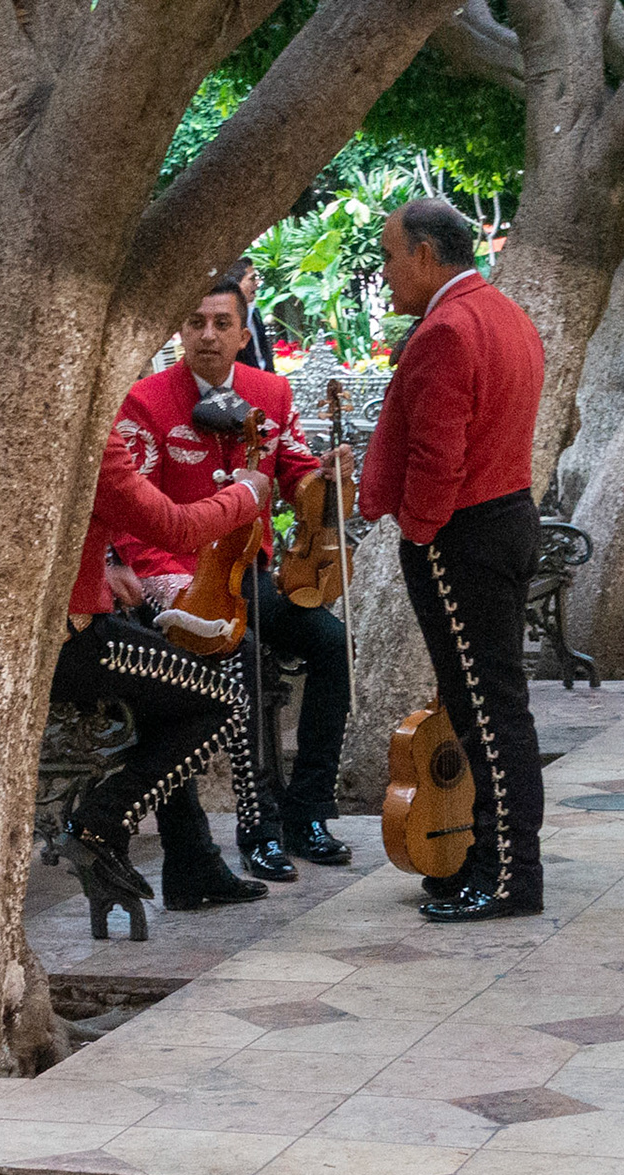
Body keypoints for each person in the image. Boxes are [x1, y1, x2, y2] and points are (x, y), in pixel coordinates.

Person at [104, 279, 356, 886]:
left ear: (244, 335)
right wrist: (141, 571)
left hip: (250, 570)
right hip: (174, 577)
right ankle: (256, 827)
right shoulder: (145, 400)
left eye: (221, 323)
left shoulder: (271, 391)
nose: (208, 335)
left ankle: (308, 812)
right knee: (238, 658)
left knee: (331, 644)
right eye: (196, 323)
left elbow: (293, 471)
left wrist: (322, 476)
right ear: (180, 334)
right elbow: (127, 508)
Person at [363, 198, 545, 922]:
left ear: (427, 255)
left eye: (388, 255)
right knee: (490, 705)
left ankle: (510, 876)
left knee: (487, 712)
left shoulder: (445, 328)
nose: (384, 273)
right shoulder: (504, 312)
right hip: (504, 518)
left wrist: (419, 530)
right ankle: (488, 859)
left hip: (463, 534)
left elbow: (440, 455)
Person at [55, 428, 271, 912]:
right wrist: (249, 492)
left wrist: (106, 563)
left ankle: (193, 865)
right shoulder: (82, 429)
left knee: (173, 697)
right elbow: (176, 528)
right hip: (74, 642)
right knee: (225, 700)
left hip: (49, 636)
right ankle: (98, 824)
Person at [233, 257, 277, 373]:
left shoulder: (255, 314)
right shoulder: (228, 321)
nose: (257, 284)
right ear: (236, 283)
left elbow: (264, 354)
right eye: (252, 279)